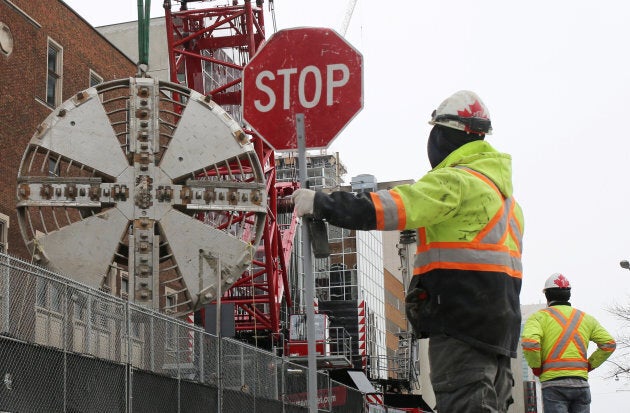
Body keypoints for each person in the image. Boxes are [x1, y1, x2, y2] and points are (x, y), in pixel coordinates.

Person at [292, 90, 524, 413]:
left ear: (446, 135)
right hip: (499, 339)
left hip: (461, 331)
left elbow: (392, 206)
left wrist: (322, 203)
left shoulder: (456, 182)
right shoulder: (508, 204)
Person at [521, 273, 616, 413]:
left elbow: (530, 343)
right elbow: (609, 344)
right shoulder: (586, 318)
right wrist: (589, 365)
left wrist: (536, 367)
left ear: (547, 296)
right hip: (581, 384)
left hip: (554, 385)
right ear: (568, 295)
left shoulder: (538, 318)